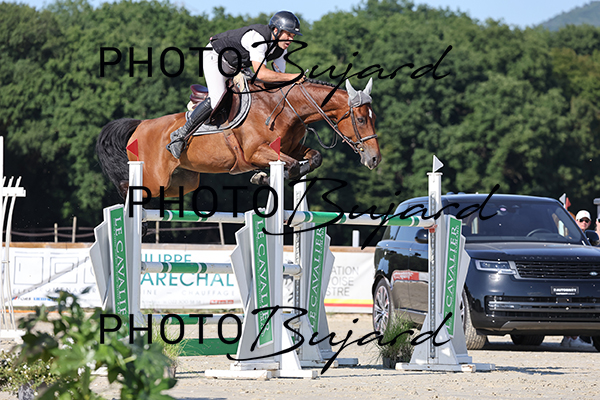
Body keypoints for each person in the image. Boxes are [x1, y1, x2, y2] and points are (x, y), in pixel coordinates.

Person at [166, 11, 304, 158]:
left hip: (238, 66)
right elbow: (262, 74)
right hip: (216, 57)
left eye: (293, 36)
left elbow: (279, 79)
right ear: (276, 30)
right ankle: (180, 135)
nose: (291, 39)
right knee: (217, 99)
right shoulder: (258, 38)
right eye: (288, 34)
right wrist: (294, 76)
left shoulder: (281, 50)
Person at [560, 210, 594, 348]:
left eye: (586, 221)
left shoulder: (591, 239)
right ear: (575, 222)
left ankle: (573, 337)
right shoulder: (568, 239)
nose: (584, 223)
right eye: (581, 220)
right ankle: (570, 337)